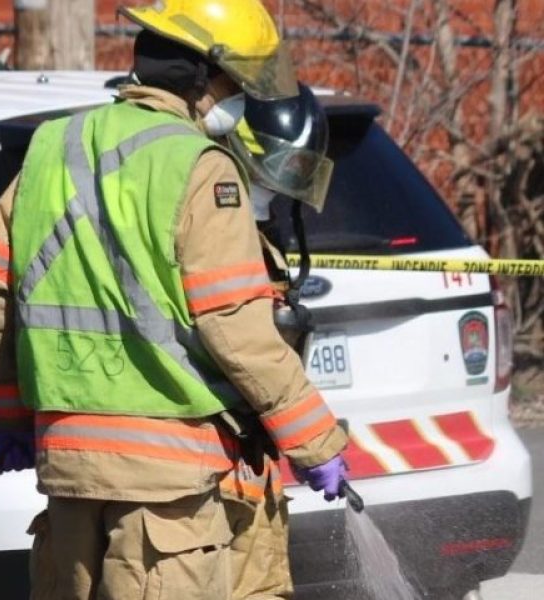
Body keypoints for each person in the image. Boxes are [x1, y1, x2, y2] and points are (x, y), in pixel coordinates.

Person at [0, 1, 349, 598]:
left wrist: (7, 414)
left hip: (67, 472)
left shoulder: (50, 147)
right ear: (201, 75)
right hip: (167, 483)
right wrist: (316, 442)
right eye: (235, 83)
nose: (239, 99)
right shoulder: (200, 167)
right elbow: (235, 327)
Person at [218, 83, 336, 600]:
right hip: (209, 463)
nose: (286, 179)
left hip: (249, 458)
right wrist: (315, 444)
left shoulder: (260, 231)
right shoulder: (215, 224)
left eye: (299, 168)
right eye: (280, 164)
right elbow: (242, 341)